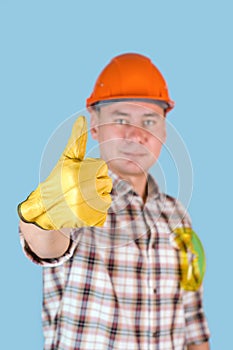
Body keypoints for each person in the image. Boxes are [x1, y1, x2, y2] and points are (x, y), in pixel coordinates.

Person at [18, 53, 210, 349]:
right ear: (95, 125)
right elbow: (47, 247)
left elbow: (192, 319)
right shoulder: (79, 197)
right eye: (121, 119)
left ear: (163, 129)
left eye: (150, 120)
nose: (137, 134)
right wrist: (45, 217)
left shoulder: (178, 215)